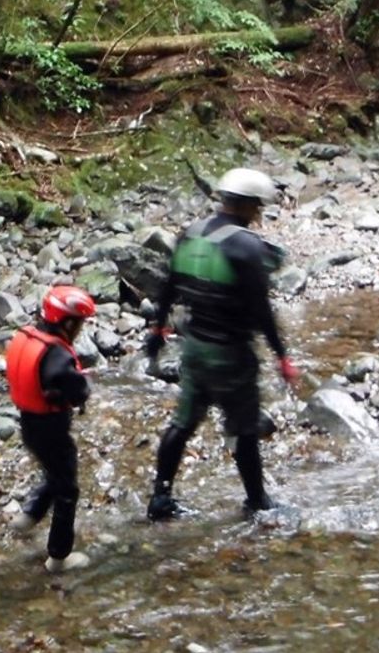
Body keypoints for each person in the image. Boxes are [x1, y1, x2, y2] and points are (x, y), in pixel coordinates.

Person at [143, 167, 299, 521]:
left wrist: (157, 332)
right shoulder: (246, 246)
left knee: (182, 424)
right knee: (244, 428)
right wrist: (282, 356)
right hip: (232, 354)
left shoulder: (190, 235)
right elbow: (262, 311)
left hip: (195, 347)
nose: (259, 213)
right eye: (258, 206)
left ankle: (160, 497)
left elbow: (168, 287)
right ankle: (257, 501)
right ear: (246, 206)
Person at [5, 285, 96, 573]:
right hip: (51, 428)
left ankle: (28, 516)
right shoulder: (56, 356)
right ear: (68, 322)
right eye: (79, 323)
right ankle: (59, 556)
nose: (80, 329)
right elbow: (72, 385)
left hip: (28, 424)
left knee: (53, 473)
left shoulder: (27, 336)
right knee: (67, 489)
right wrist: (82, 390)